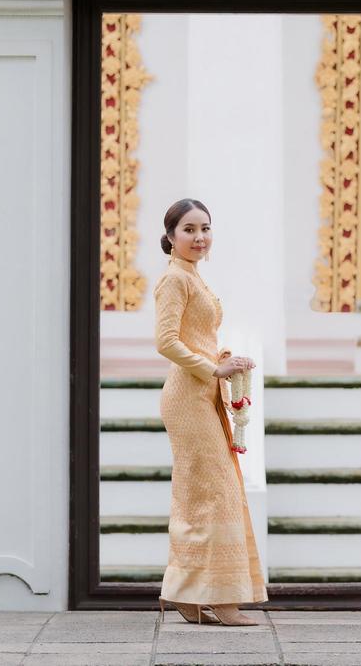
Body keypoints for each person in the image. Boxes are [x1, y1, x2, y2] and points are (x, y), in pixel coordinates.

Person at [153, 198, 268, 626]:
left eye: (205, 228)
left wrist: (223, 361)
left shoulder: (192, 276)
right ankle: (218, 600)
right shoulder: (173, 281)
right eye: (189, 229)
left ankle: (190, 594)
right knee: (213, 493)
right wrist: (213, 367)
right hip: (188, 397)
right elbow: (165, 341)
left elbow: (194, 335)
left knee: (208, 493)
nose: (199, 237)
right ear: (170, 237)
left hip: (204, 392)